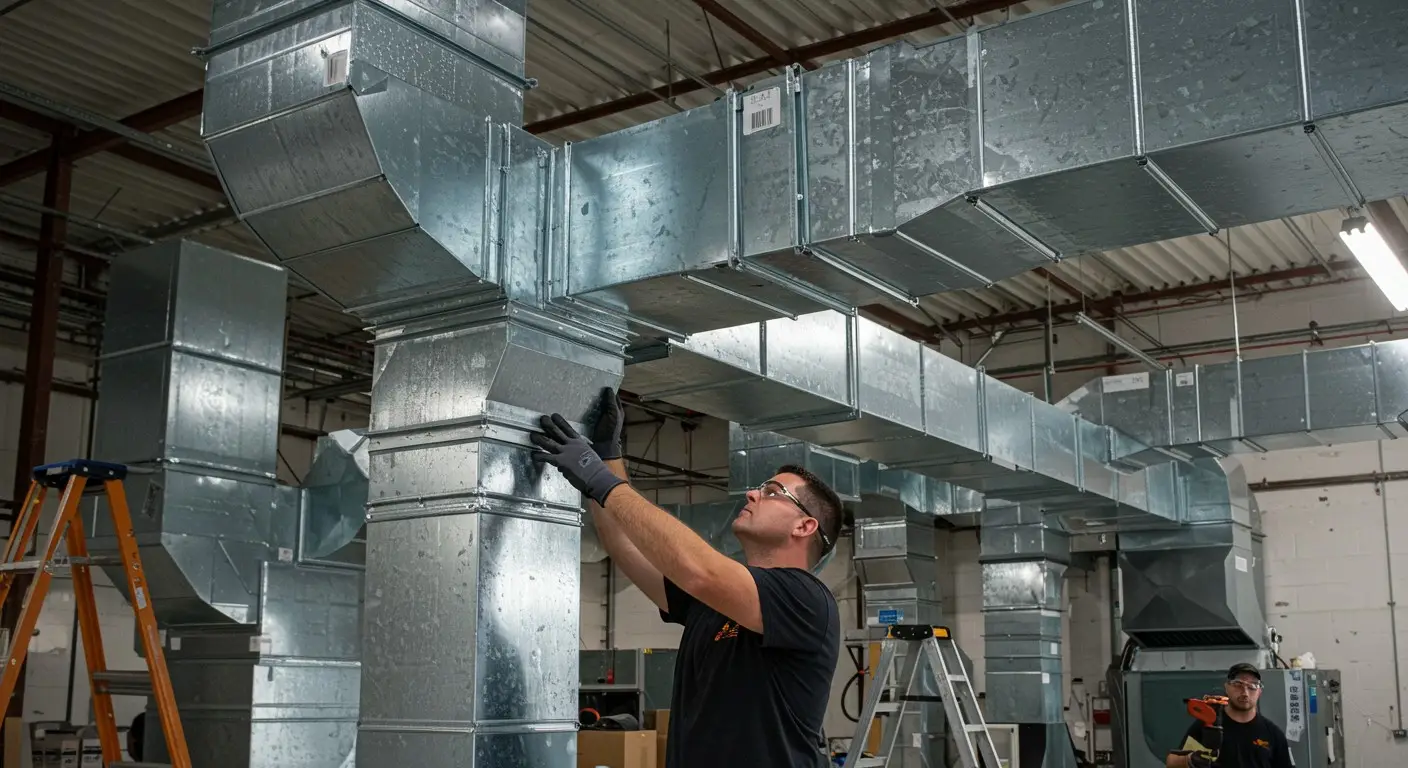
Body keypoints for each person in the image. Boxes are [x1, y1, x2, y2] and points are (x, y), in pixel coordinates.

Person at [532, 388, 843, 768]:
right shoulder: (712, 601)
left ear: (805, 526)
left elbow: (700, 571)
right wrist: (607, 458)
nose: (752, 493)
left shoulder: (806, 600)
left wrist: (600, 479)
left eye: (772, 492)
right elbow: (623, 544)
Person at [1166, 663, 1293, 768]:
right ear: (1227, 687)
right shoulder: (1209, 724)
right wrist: (1189, 760)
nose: (1245, 692)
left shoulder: (1273, 734)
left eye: (1252, 686)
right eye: (1238, 684)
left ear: (1259, 692)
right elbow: (1172, 762)